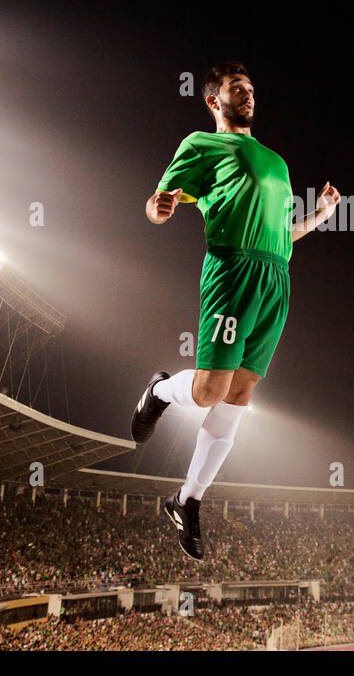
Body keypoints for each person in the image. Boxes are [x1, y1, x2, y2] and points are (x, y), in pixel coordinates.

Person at [131, 61, 340, 559]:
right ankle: (159, 391)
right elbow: (162, 200)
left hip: (276, 278)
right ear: (213, 101)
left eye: (250, 88)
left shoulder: (278, 162)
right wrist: (157, 207)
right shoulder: (202, 146)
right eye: (236, 88)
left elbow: (278, 234)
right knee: (207, 392)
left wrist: (318, 217)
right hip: (233, 271)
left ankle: (187, 499)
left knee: (241, 392)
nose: (247, 94)